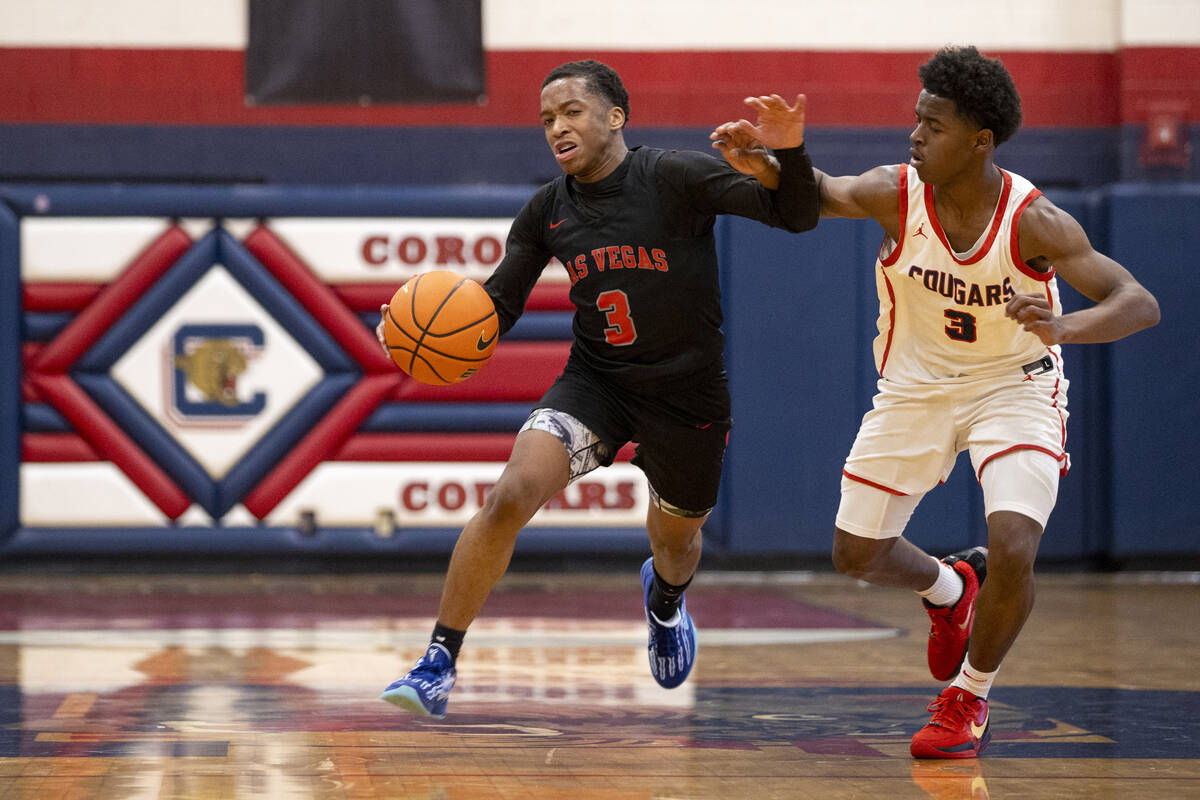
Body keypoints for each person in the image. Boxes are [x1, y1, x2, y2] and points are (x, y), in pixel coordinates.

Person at [713, 45, 1159, 758]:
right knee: (855, 554)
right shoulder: (896, 190)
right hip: (916, 388)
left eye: (935, 125)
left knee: (1015, 543)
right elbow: (821, 192)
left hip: (1015, 385)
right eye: (916, 119)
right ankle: (951, 589)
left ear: (980, 141)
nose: (915, 135)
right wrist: (771, 161)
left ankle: (969, 697)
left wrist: (1062, 325)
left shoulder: (1035, 220)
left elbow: (1139, 302)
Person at [378, 59, 820, 718]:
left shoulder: (674, 176)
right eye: (547, 118)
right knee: (509, 495)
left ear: (616, 115)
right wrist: (435, 329)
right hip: (597, 383)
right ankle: (438, 661)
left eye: (572, 111)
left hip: (688, 395)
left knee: (676, 544)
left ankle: (665, 604)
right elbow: (497, 307)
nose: (557, 126)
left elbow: (796, 215)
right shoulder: (547, 212)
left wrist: (788, 152)